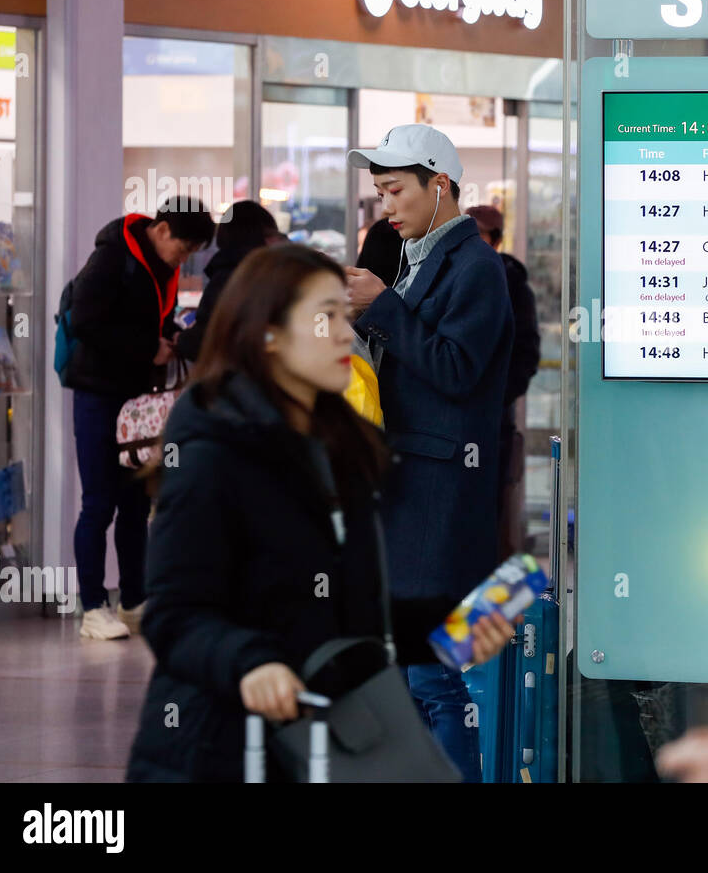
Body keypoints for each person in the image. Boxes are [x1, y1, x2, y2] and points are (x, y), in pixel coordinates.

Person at [125, 243, 514, 782]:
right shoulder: (213, 452)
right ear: (269, 335)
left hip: (314, 748)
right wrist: (252, 663)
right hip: (214, 751)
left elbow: (345, 617)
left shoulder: (341, 448)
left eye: (342, 313)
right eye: (324, 317)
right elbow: (174, 615)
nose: (343, 332)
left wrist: (445, 629)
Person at [344, 125, 513, 782]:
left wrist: (383, 308)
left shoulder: (477, 267)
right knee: (414, 678)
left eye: (395, 190)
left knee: (435, 678)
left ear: (440, 185)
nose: (386, 206)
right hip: (411, 491)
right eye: (380, 192)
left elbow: (457, 368)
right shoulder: (420, 259)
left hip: (441, 498)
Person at [65, 197, 214, 640]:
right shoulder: (112, 256)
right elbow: (85, 322)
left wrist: (172, 338)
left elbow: (156, 321)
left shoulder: (163, 268)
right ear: (162, 229)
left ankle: (133, 600)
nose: (183, 260)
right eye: (183, 249)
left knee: (135, 502)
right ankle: (93, 607)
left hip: (139, 399)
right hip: (98, 393)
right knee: (98, 503)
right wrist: (147, 348)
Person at [465, 204, 541, 559]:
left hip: (492, 424)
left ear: (494, 240)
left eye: (477, 233)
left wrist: (495, 398)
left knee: (490, 517)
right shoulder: (451, 273)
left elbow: (526, 353)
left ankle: (490, 587)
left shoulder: (511, 283)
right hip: (453, 425)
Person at [174, 200, 284, 362]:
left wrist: (182, 340)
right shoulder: (278, 274)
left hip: (238, 372)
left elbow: (206, 341)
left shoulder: (229, 276)